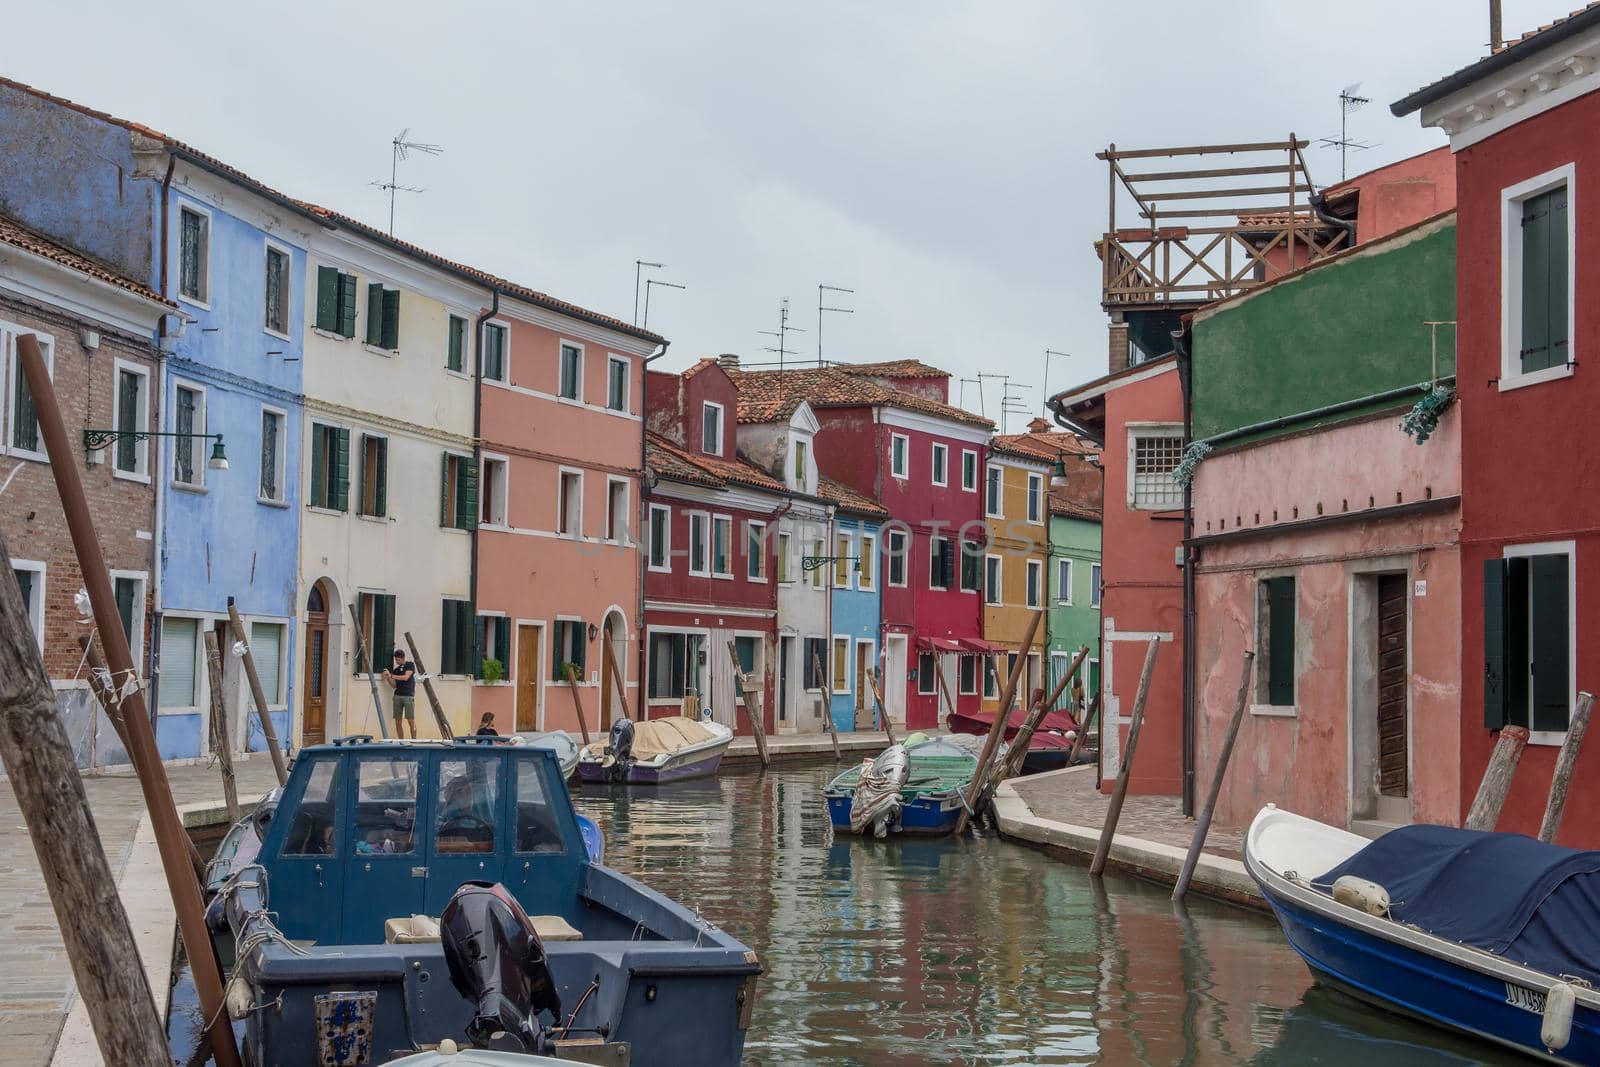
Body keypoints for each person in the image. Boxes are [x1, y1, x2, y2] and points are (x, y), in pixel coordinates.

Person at [383, 648, 417, 739]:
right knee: (398, 721)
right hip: (398, 696)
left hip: (408, 696)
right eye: (396, 659)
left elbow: (406, 677)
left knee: (411, 720)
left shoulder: (410, 665)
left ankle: (414, 740)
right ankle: (401, 741)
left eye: (398, 659)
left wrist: (391, 675)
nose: (396, 661)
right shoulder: (396, 670)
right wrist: (387, 678)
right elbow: (394, 685)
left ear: (403, 658)